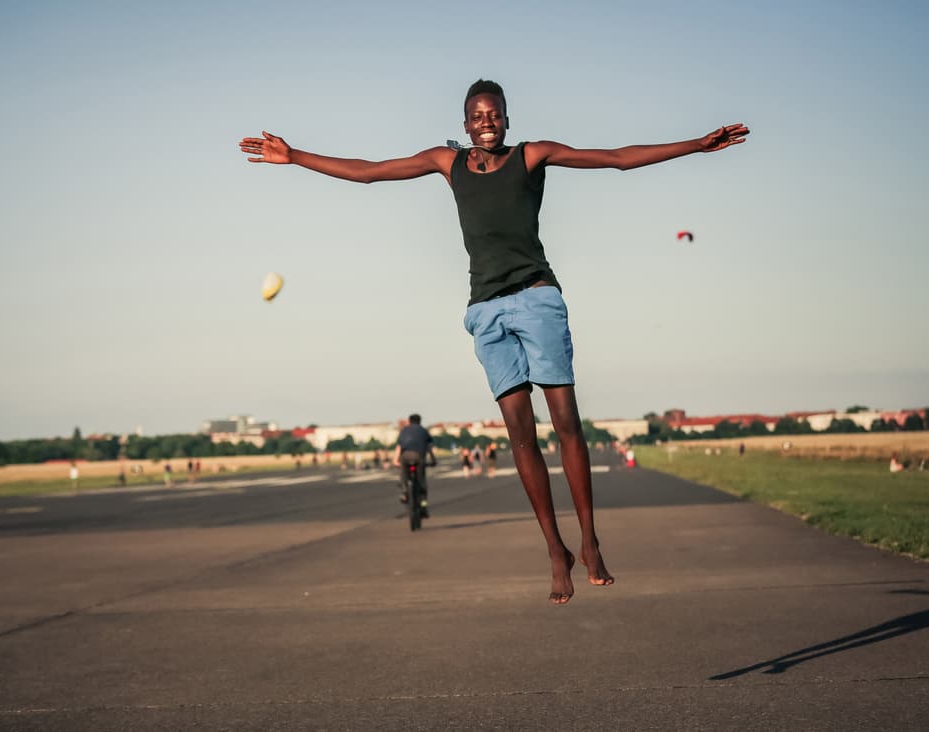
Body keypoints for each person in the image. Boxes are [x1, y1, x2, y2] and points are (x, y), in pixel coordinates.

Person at [239, 79, 749, 604]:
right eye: (477, 115)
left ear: (507, 119)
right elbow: (369, 173)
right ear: (465, 124)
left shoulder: (533, 157)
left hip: (537, 298)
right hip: (485, 312)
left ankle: (589, 539)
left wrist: (694, 144)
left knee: (566, 422)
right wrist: (295, 156)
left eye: (495, 114)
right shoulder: (446, 162)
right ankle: (556, 550)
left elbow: (617, 158)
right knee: (520, 437)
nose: (487, 121)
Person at [393, 413, 436, 514]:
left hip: (405, 456)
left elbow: (399, 446)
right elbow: (428, 447)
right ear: (420, 421)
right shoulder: (423, 431)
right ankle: (424, 504)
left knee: (403, 473)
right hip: (419, 457)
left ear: (409, 421)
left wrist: (395, 460)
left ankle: (404, 493)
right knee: (421, 481)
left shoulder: (404, 430)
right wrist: (433, 460)